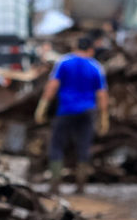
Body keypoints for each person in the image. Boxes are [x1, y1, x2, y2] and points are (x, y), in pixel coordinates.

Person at [33, 35, 109, 193]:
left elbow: (52, 86)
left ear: (76, 47)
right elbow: (102, 94)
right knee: (84, 146)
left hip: (66, 110)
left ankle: (55, 185)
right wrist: (104, 117)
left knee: (57, 145)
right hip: (88, 111)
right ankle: (81, 186)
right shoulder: (96, 67)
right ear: (91, 50)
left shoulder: (64, 62)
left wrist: (42, 106)